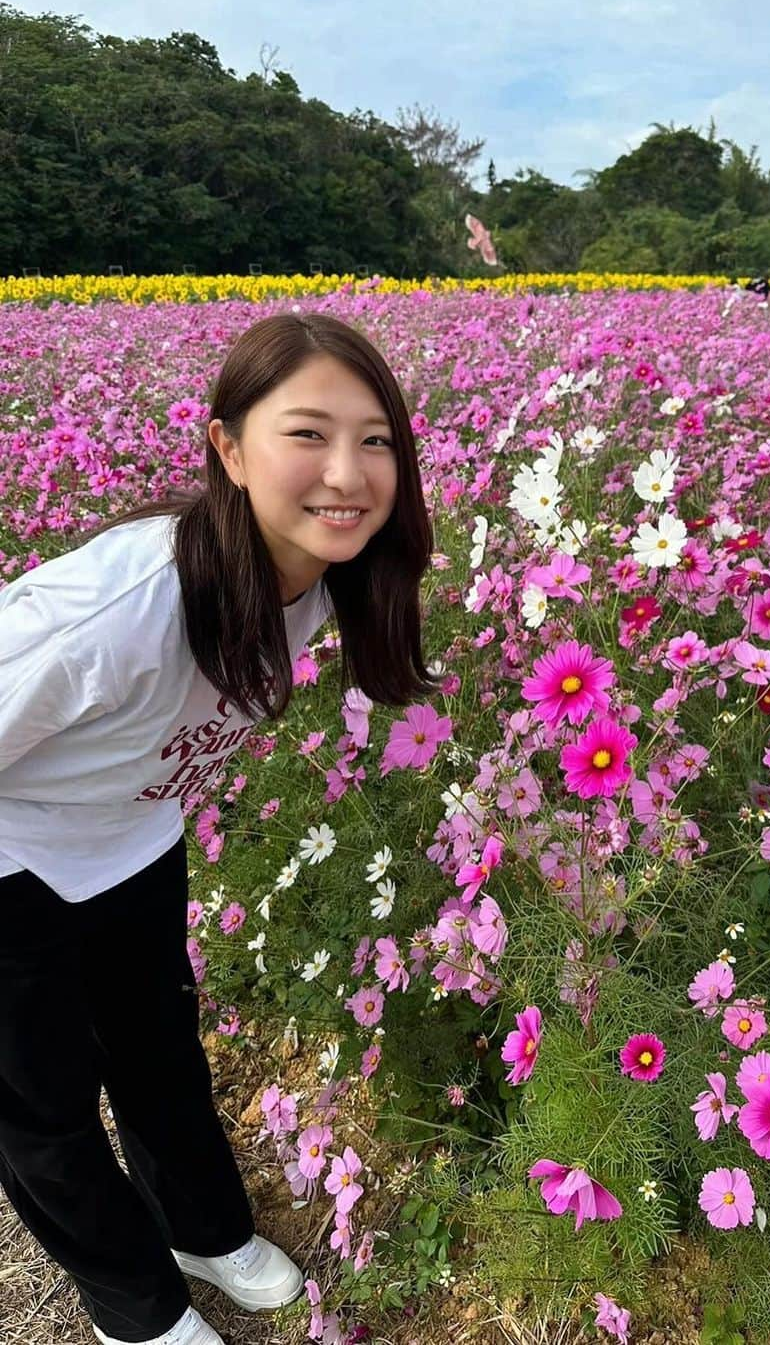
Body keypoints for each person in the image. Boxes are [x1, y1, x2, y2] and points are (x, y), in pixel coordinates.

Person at [0, 312, 438, 1344]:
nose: (348, 472)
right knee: (43, 1114)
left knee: (158, 1054)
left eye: (376, 439)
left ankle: (202, 1230)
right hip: (12, 857)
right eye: (308, 433)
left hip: (130, 842)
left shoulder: (324, 581)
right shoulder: (113, 614)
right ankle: (135, 1311)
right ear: (227, 449)